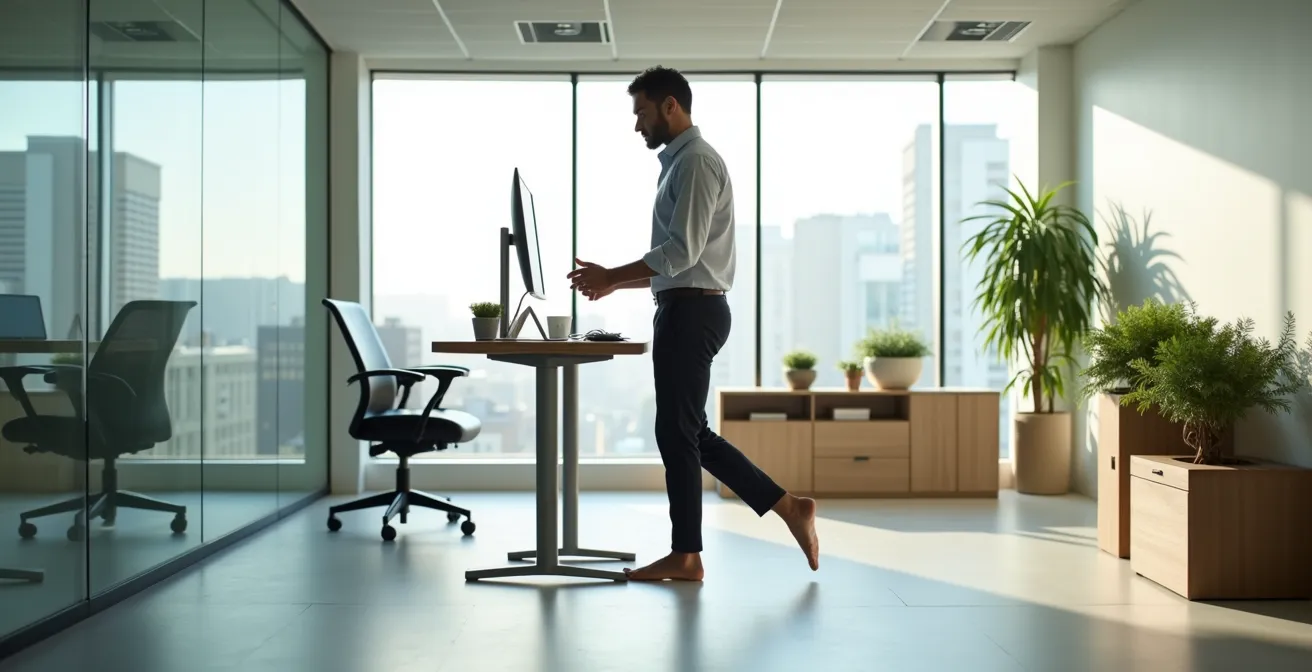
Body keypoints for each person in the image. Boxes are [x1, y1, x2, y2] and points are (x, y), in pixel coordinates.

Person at [567, 66, 819, 581]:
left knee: (676, 431)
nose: (637, 125)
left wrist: (614, 274)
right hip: (683, 304)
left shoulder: (697, 163)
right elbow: (674, 263)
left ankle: (688, 555)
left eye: (640, 112)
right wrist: (616, 283)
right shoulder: (678, 164)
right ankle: (788, 508)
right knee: (687, 430)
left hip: (694, 310)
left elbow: (681, 253)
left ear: (669, 107)